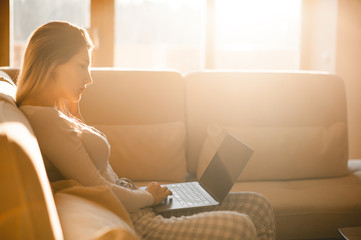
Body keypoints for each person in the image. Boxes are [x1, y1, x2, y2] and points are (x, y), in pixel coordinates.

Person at [16, 21, 275, 240]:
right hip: (135, 218)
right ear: (52, 64)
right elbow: (97, 187)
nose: (89, 78)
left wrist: (73, 109)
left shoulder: (56, 113)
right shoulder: (44, 119)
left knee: (258, 205)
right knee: (241, 226)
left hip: (134, 199)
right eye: (82, 66)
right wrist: (148, 197)